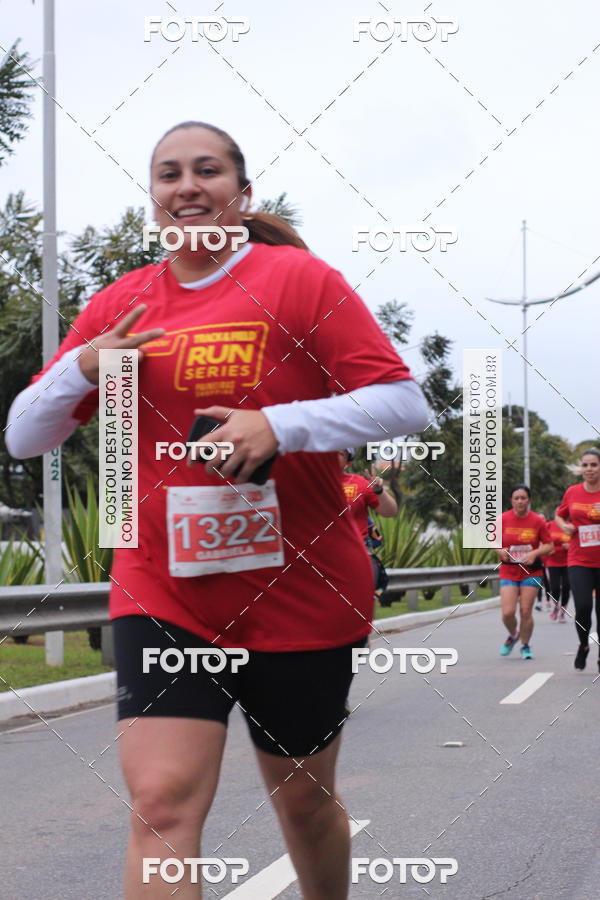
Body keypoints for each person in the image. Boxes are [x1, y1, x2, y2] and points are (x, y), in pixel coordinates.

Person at [5, 121, 429, 899]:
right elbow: (26, 435)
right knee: (162, 802)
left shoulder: (299, 281)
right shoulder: (123, 305)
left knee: (303, 803)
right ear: (155, 197)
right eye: (169, 174)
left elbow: (406, 404)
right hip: (165, 588)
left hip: (300, 591)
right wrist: (83, 368)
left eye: (207, 170)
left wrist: (282, 424)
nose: (187, 186)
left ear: (242, 192)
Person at [555, 448, 600, 671]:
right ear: (581, 468)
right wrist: (564, 526)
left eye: (594, 465)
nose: (589, 469)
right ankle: (583, 645)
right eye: (585, 465)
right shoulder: (573, 492)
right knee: (582, 606)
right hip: (579, 559)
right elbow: (559, 514)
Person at [496, 485, 552, 660]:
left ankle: (526, 646)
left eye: (523, 498)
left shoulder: (537, 521)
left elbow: (550, 546)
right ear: (511, 500)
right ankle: (514, 635)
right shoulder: (502, 519)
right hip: (509, 571)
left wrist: (534, 553)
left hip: (531, 572)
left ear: (529, 500)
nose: (520, 501)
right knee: (507, 613)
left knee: (526, 611)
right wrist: (499, 551)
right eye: (516, 498)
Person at [338, 449, 397, 595]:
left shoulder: (359, 484)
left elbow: (390, 512)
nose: (331, 455)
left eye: (339, 453)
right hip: (320, 559)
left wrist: (379, 491)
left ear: (348, 463)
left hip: (357, 558)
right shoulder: (309, 483)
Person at [545, 512, 571, 622]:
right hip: (553, 562)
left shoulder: (570, 526)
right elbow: (542, 541)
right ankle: (556, 606)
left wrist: (570, 546)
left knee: (566, 587)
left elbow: (577, 542)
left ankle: (563, 612)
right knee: (555, 587)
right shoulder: (549, 525)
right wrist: (547, 549)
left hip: (568, 562)